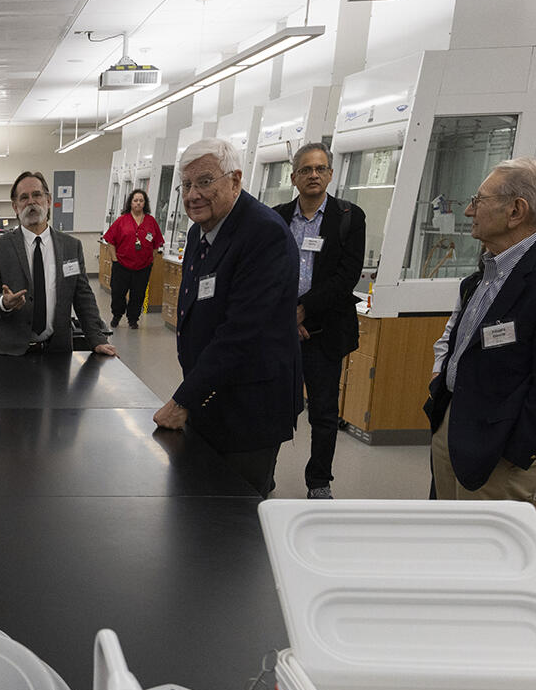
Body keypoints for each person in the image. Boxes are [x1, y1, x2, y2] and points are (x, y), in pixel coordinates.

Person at [423, 158, 536, 501]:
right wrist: (439, 386)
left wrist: (518, 451)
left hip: (499, 449)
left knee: (484, 549)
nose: (470, 211)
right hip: (454, 422)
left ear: (516, 211)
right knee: (443, 539)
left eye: (479, 200)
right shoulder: (489, 265)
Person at [152, 139, 301, 498]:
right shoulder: (198, 231)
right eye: (186, 185)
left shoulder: (263, 233)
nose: (193, 195)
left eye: (204, 182)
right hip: (211, 400)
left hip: (250, 410)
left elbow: (241, 334)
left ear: (235, 180)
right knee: (202, 508)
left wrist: (183, 400)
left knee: (238, 519)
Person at [273, 142, 367, 499]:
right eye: (306, 169)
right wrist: (287, 314)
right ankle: (265, 472)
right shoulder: (278, 216)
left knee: (324, 411)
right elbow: (267, 271)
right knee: (275, 404)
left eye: (320, 169)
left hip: (325, 331)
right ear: (294, 176)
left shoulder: (348, 217)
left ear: (330, 173)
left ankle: (319, 481)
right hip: (281, 330)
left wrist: (304, 310)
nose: (313, 175)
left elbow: (346, 275)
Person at [0, 171, 118, 357]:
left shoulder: (70, 247)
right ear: (15, 206)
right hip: (6, 353)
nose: (31, 202)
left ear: (48, 200)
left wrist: (97, 339)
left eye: (37, 195)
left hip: (56, 352)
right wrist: (3, 302)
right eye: (24, 197)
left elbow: (83, 296)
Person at [102, 188, 165, 330]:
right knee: (118, 293)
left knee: (138, 294)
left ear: (145, 203)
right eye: (135, 200)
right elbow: (110, 241)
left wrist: (151, 259)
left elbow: (157, 243)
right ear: (130, 203)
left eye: (141, 201)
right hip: (122, 265)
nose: (138, 203)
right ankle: (117, 315)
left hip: (143, 267)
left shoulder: (151, 221)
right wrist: (114, 259)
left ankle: (133, 319)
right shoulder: (121, 221)